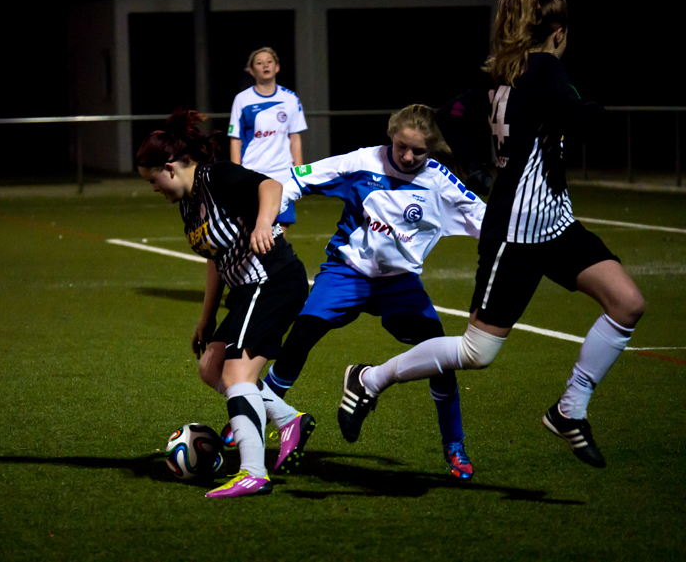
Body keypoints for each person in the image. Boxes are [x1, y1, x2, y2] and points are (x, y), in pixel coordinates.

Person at [337, 0, 645, 469]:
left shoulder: (504, 74)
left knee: (627, 303)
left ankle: (571, 409)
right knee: (477, 350)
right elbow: (577, 120)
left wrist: (482, 168)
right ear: (559, 32)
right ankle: (368, 379)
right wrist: (593, 109)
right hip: (517, 233)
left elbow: (450, 114)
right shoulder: (544, 69)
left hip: (555, 222)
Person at [262, 104, 485, 479]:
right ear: (390, 137)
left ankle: (455, 446)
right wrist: (270, 218)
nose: (409, 156)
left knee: (439, 355)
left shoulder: (440, 182)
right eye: (401, 147)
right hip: (347, 272)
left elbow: (487, 222)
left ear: (432, 150)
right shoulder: (362, 162)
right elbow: (293, 179)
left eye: (419, 151)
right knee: (299, 338)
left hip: (399, 284)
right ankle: (254, 416)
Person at [135, 109, 313, 498]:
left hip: (272, 280)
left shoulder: (214, 176)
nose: (154, 190)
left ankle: (253, 471)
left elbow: (270, 187)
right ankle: (288, 421)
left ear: (169, 167)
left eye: (153, 181)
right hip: (247, 289)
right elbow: (215, 258)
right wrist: (206, 316)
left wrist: (265, 223)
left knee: (237, 377)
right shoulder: (189, 203)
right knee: (211, 366)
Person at [228, 47, 307, 236]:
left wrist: (300, 174)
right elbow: (235, 140)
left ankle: (276, 266)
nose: (265, 65)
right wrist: (235, 174)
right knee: (252, 231)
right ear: (252, 71)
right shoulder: (242, 100)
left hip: (282, 176)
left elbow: (294, 138)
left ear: (277, 67)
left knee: (280, 235)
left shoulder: (290, 98)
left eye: (269, 62)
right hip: (253, 174)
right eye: (259, 62)